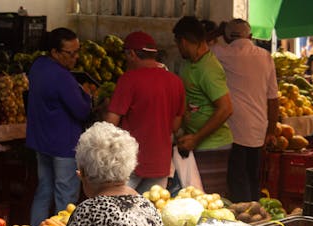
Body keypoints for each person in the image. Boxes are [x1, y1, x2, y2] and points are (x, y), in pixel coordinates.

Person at [26, 28, 92, 226]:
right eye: (70, 53)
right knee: (66, 196)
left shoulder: (38, 66)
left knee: (44, 190)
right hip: (64, 145)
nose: (75, 58)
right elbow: (81, 111)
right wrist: (87, 95)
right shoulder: (62, 77)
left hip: (41, 141)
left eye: (77, 52)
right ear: (54, 52)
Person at [104, 31, 185, 193]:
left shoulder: (129, 79)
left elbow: (109, 124)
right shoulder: (175, 81)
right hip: (160, 162)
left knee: (118, 209)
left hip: (130, 162)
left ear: (132, 54)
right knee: (150, 211)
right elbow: (175, 125)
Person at [210, 19, 279, 202]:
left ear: (227, 36)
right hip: (258, 128)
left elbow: (205, 42)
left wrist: (219, 31)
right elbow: (273, 98)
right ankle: (256, 217)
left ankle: (244, 219)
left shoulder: (221, 53)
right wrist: (271, 130)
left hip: (234, 129)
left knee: (237, 180)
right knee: (253, 178)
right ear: (250, 36)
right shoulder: (265, 56)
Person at [172, 16, 233, 179]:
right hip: (195, 144)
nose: (178, 48)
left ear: (183, 42)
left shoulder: (209, 69)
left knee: (209, 200)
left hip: (213, 146)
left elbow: (226, 108)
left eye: (177, 44)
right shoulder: (188, 63)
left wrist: (196, 138)